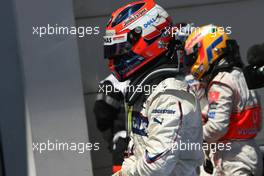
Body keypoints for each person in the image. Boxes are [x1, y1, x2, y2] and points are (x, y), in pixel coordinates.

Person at [103, 0, 204, 175]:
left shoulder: (170, 95)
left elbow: (156, 166)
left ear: (149, 38)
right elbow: (138, 152)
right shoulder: (146, 91)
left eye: (120, 49)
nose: (115, 58)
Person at [184, 24, 263, 176]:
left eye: (193, 56)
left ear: (209, 48)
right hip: (249, 152)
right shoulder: (242, 75)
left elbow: (217, 127)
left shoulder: (220, 82)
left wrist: (193, 139)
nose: (191, 62)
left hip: (232, 160)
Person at [93, 74, 130, 173]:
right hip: (130, 145)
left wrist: (112, 140)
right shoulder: (153, 76)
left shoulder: (111, 82)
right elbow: (101, 115)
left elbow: (101, 115)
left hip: (123, 146)